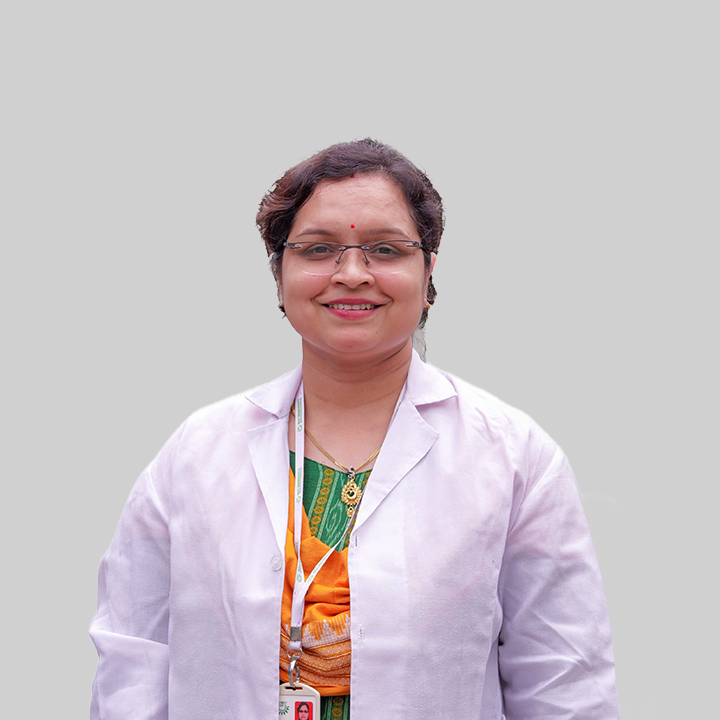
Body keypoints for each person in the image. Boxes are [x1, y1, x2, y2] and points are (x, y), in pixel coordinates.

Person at [89, 139, 621, 719]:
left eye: (385, 250)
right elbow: (132, 664)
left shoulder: (514, 457)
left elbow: (566, 684)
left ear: (429, 270)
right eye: (318, 249)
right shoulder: (197, 454)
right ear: (279, 271)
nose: (351, 274)